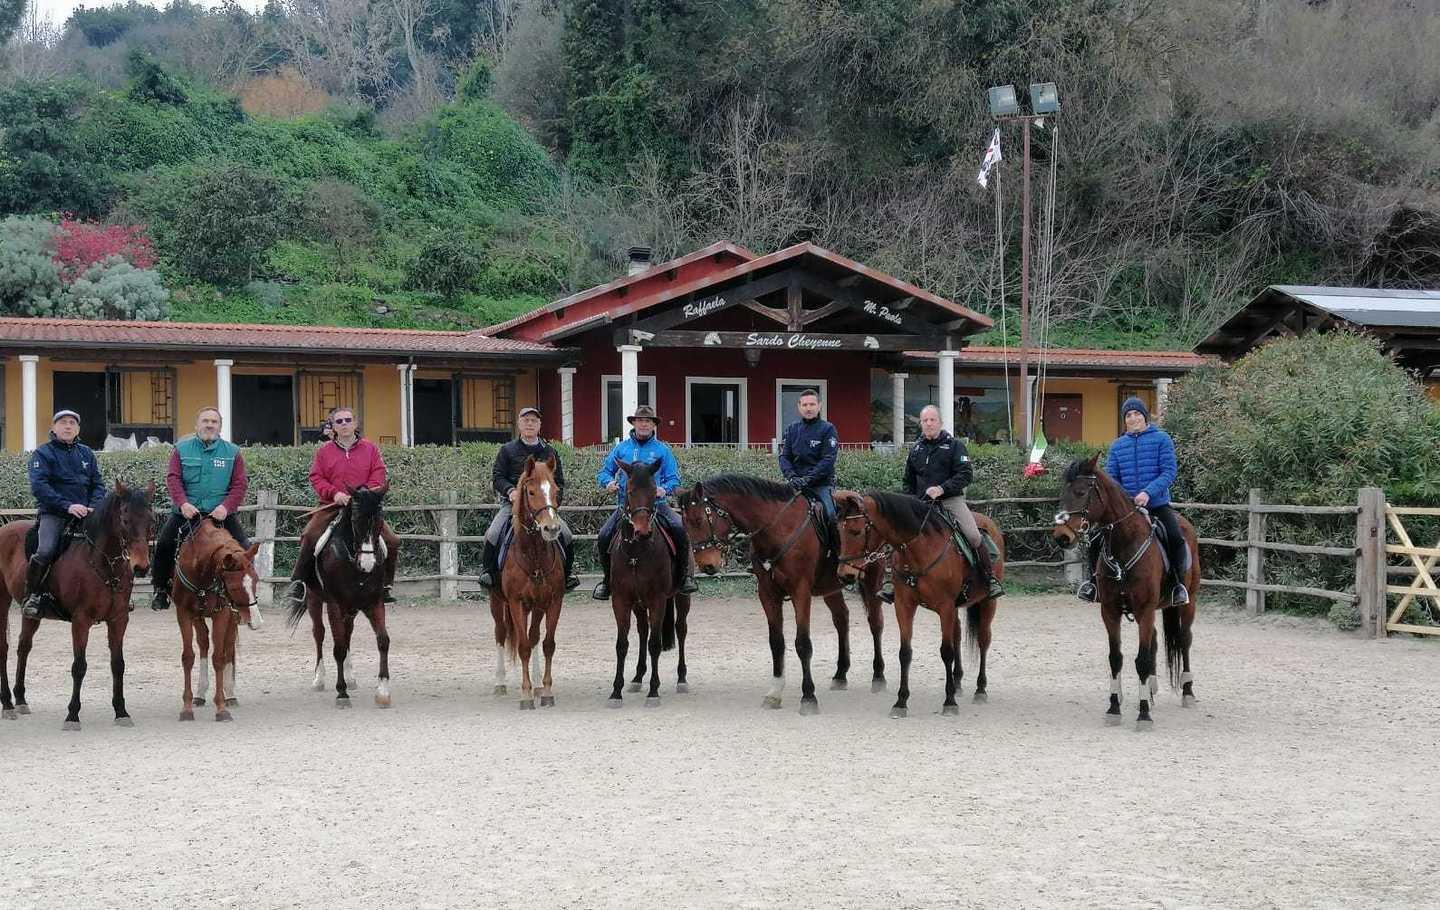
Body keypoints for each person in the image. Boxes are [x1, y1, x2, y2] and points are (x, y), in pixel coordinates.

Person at [1077, 397, 1189, 606]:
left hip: (1156, 504)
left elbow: (1169, 471)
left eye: (1137, 413)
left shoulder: (1162, 439)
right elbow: (1112, 479)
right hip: (1126, 509)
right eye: (1128, 415)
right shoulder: (1118, 446)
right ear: (1124, 420)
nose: (1133, 418)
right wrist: (1126, 499)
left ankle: (1177, 585)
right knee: (1094, 539)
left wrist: (1148, 492)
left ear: (1145, 416)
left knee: (1175, 537)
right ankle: (1093, 583)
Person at [285, 406, 398, 606]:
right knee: (310, 536)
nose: (344, 424)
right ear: (333, 427)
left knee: (392, 540)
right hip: (332, 506)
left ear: (355, 423)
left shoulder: (371, 449)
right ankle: (299, 582)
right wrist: (334, 493)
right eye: (339, 421)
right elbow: (316, 477)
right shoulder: (324, 452)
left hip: (363, 508)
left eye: (347, 420)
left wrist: (362, 496)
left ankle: (386, 585)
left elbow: (378, 474)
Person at [151, 407, 253, 612]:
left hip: (221, 515)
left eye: (214, 422)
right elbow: (173, 478)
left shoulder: (232, 452)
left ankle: (247, 593)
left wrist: (226, 507)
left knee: (245, 548)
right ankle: (161, 590)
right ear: (196, 425)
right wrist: (183, 503)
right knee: (163, 545)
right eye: (205, 421)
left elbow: (239, 485)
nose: (209, 425)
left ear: (220, 427)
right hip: (187, 513)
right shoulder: (181, 448)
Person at [591, 405, 698, 600]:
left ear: (653, 425)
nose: (643, 424)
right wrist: (609, 483)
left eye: (648, 421)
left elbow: (673, 478)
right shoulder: (621, 449)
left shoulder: (662, 450)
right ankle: (607, 582)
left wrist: (663, 489)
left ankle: (684, 578)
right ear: (633, 423)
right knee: (604, 535)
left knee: (679, 530)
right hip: (627, 507)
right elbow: (603, 472)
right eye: (640, 421)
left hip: (657, 506)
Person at [899, 404, 1004, 600]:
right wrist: (910, 502)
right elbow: (908, 482)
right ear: (921, 424)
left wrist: (942, 489)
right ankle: (894, 581)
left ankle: (989, 579)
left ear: (940, 422)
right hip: (921, 505)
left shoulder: (955, 446)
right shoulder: (915, 450)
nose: (929, 424)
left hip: (950, 500)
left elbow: (965, 474)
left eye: (932, 420)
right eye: (925, 420)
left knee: (973, 536)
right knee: (898, 534)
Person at [477, 406, 579, 591]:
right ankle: (489, 573)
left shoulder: (550, 452)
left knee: (567, 534)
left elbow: (559, 483)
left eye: (534, 421)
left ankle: (568, 574)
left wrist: (552, 506)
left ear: (540, 425)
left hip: (543, 509)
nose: (530, 424)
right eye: (526, 420)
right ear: (519, 424)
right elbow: (498, 477)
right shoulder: (507, 450)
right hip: (513, 506)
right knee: (492, 534)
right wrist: (510, 491)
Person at [23, 409, 106, 617]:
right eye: (63, 422)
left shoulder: (86, 453)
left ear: (77, 429)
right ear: (54, 428)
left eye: (72, 423)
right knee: (45, 549)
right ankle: (33, 595)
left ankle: (114, 594)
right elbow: (40, 487)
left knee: (111, 544)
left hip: (87, 513)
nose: (68, 426)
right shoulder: (43, 453)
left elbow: (98, 484)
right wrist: (68, 506)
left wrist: (94, 505)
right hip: (55, 514)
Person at [778, 388, 839, 521]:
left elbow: (828, 460)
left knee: (830, 515)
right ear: (799, 407)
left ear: (819, 406)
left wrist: (807, 479)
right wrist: (792, 477)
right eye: (804, 405)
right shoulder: (791, 429)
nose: (808, 408)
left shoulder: (828, 429)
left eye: (812, 404)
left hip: (820, 485)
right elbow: (784, 457)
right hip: (795, 484)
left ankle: (834, 543)